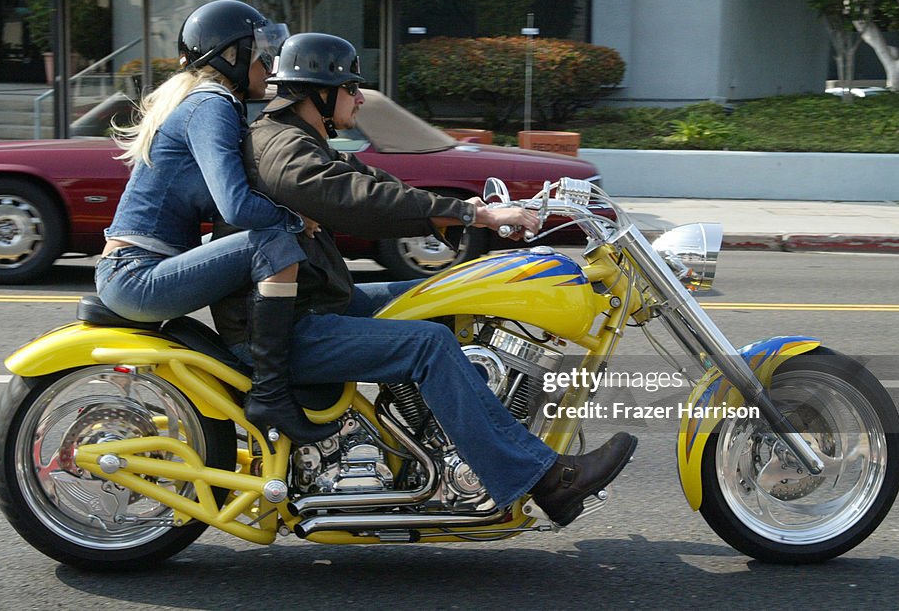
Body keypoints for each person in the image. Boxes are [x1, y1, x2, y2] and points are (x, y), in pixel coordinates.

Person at [211, 32, 638, 527]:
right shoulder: (283, 145)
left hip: (314, 304)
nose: (359, 98)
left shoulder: (299, 140)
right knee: (428, 344)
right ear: (316, 93)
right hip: (282, 329)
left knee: (441, 297)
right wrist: (467, 216)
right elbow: (351, 197)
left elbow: (369, 180)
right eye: (350, 88)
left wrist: (470, 209)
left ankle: (441, 436)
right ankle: (545, 481)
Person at [95, 0, 338, 445]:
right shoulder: (211, 104)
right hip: (138, 276)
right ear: (230, 55)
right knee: (271, 238)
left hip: (136, 268)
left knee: (270, 235)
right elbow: (236, 207)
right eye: (260, 50)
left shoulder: (197, 102)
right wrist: (292, 218)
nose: (269, 63)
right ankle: (271, 392)